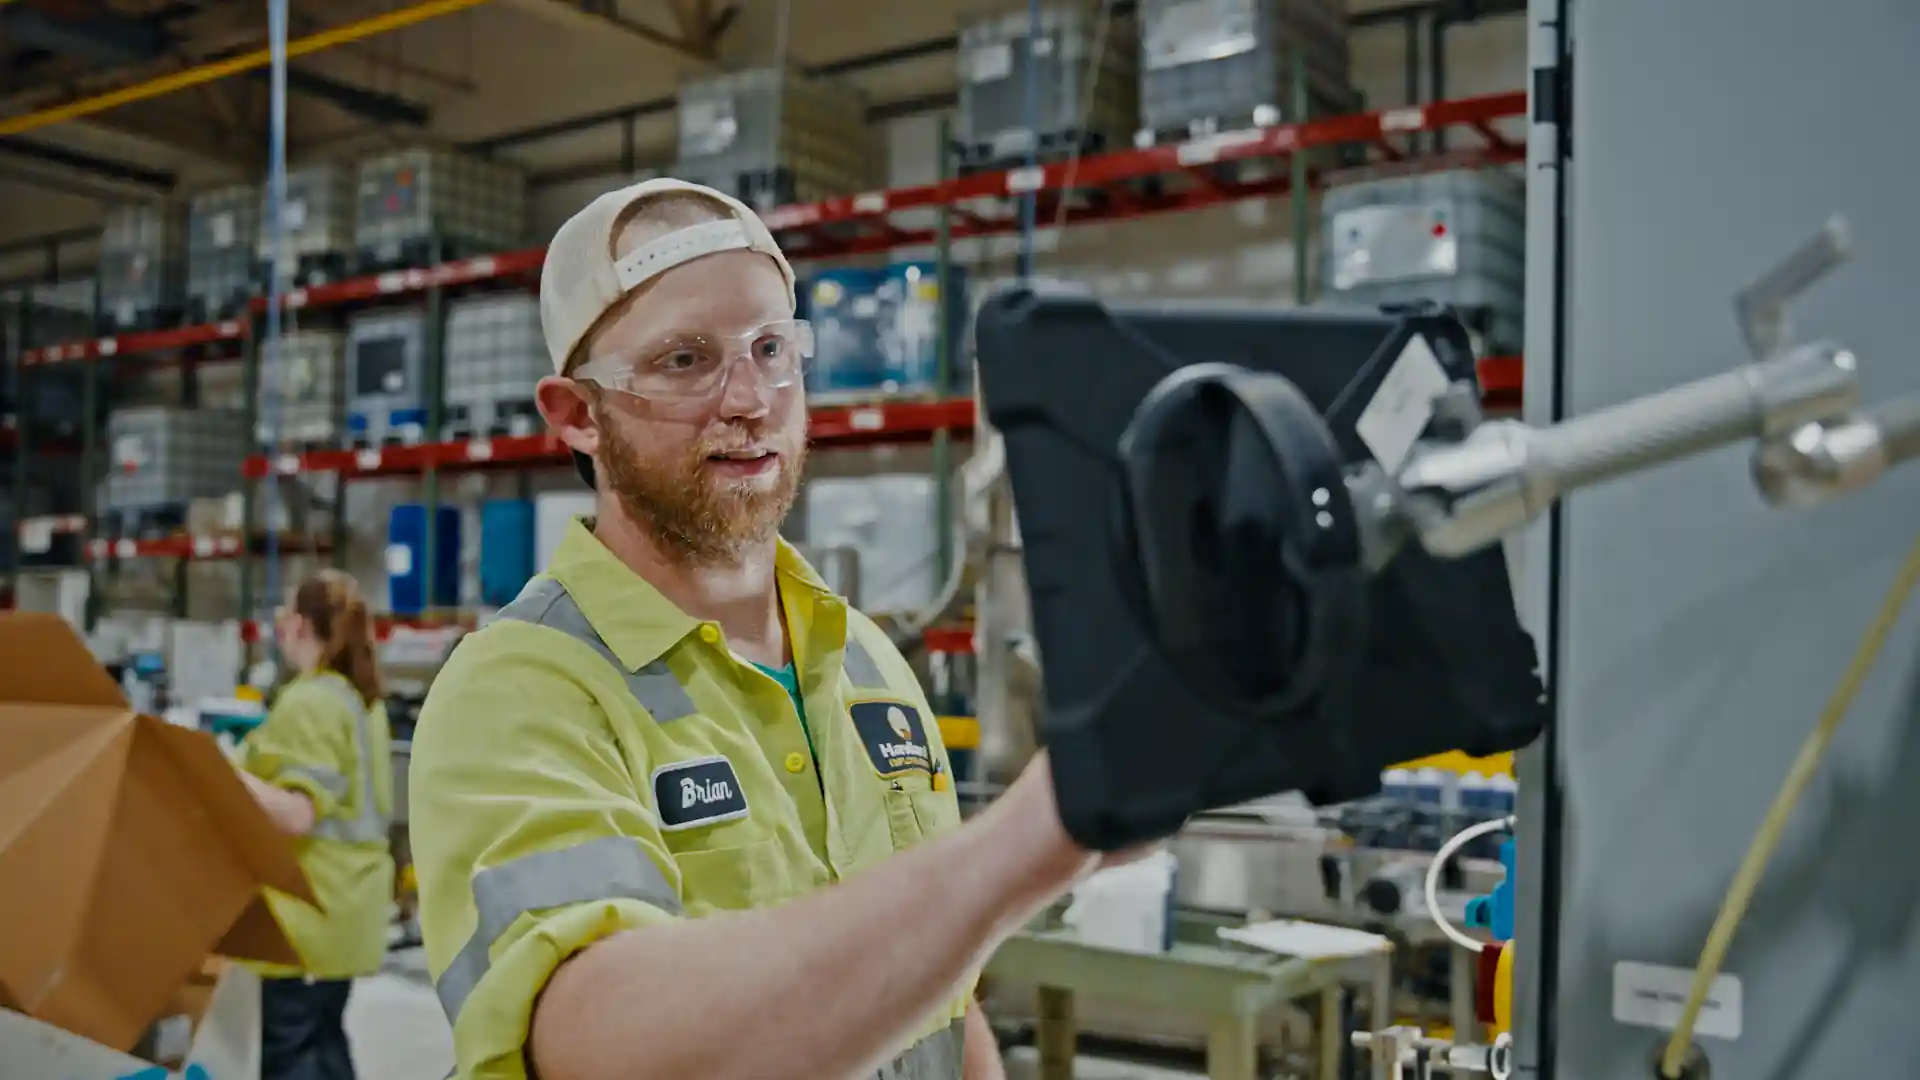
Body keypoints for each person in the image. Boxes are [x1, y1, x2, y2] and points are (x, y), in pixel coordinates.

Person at [408, 178, 1134, 1080]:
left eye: (771, 348)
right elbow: (601, 1044)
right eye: (685, 360)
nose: (749, 398)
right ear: (579, 415)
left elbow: (940, 988)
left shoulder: (865, 659)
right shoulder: (520, 689)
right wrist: (1032, 838)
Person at [235, 569, 397, 1080]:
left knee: (293, 1056)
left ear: (300, 625)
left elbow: (297, 814)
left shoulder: (311, 700)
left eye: (284, 615)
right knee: (323, 1049)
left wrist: (219, 770)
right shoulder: (360, 700)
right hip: (348, 909)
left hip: (306, 916)